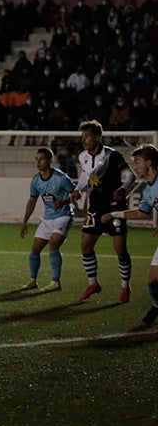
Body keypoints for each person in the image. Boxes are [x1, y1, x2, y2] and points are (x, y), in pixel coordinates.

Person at [69, 120, 135, 303]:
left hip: (114, 206)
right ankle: (93, 283)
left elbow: (130, 175)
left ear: (98, 137)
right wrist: (78, 189)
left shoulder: (112, 156)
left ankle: (125, 286)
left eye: (87, 136)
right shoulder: (83, 156)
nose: (84, 140)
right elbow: (85, 175)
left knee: (120, 248)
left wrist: (123, 189)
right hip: (96, 206)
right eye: (82, 136)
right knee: (86, 245)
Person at [100, 144, 158, 325]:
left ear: (149, 162)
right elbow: (142, 212)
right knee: (152, 282)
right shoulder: (148, 190)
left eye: (138, 162)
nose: (135, 167)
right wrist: (114, 215)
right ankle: (157, 306)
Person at [19, 148, 75, 292]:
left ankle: (55, 282)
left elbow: (77, 194)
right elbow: (32, 200)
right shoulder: (36, 180)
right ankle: (33, 281)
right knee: (35, 249)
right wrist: (25, 221)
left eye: (42, 159)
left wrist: (64, 202)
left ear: (50, 161)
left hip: (63, 216)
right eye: (36, 159)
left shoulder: (61, 178)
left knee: (53, 244)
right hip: (48, 218)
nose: (38, 162)